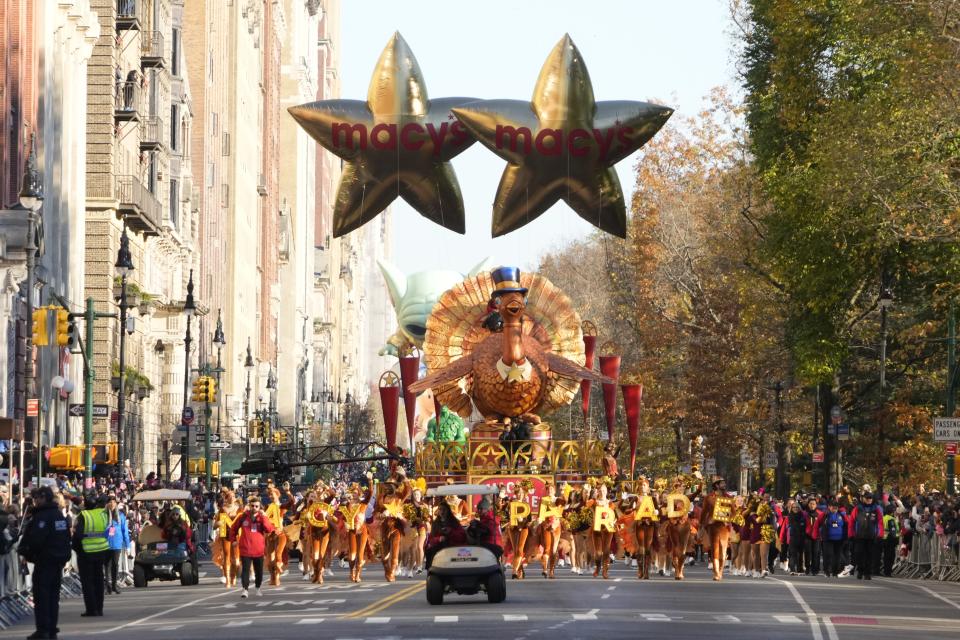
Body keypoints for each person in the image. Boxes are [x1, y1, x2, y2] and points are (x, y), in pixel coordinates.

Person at [19, 486, 72, 640]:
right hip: (57, 561)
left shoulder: (43, 517)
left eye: (37, 498)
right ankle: (51, 628)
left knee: (42, 597)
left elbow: (36, 539)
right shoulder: (58, 515)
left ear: (43, 498)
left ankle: (43, 630)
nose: (35, 501)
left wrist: (26, 552)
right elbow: (65, 538)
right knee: (53, 598)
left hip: (45, 561)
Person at [72, 492, 110, 617]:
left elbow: (78, 535)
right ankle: (99, 608)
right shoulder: (102, 514)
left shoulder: (83, 515)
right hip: (101, 551)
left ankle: (91, 609)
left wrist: (76, 549)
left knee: (88, 582)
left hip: (86, 552)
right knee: (99, 581)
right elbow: (108, 530)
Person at [230, 495, 275, 597]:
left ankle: (258, 588)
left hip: (258, 549)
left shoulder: (262, 518)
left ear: (259, 507)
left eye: (256, 506)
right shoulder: (243, 517)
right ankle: (245, 589)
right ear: (249, 506)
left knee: (258, 571)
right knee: (245, 570)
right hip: (245, 548)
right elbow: (233, 528)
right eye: (252, 506)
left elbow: (269, 529)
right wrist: (233, 540)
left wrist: (264, 517)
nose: (254, 508)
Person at [848, 491, 884, 580]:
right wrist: (851, 534)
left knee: (870, 555)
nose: (869, 499)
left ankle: (867, 573)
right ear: (863, 498)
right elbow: (851, 522)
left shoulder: (876, 509)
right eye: (867, 498)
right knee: (859, 554)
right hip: (859, 536)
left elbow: (880, 522)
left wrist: (880, 534)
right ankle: (860, 571)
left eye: (870, 498)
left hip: (871, 536)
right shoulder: (857, 509)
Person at [104, 494, 130, 595]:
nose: (112, 504)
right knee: (107, 565)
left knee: (115, 564)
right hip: (106, 543)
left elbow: (125, 531)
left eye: (114, 502)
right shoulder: (104, 514)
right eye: (110, 502)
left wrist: (127, 545)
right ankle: (108, 586)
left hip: (117, 544)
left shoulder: (121, 515)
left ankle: (114, 585)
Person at [817, 500, 847, 577]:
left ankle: (835, 571)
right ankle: (827, 571)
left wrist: (846, 536)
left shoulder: (842, 515)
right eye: (833, 507)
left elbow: (847, 525)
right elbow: (817, 525)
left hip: (839, 539)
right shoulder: (824, 515)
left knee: (837, 556)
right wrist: (818, 535)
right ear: (829, 507)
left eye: (836, 507)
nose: (834, 509)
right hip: (828, 539)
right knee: (828, 555)